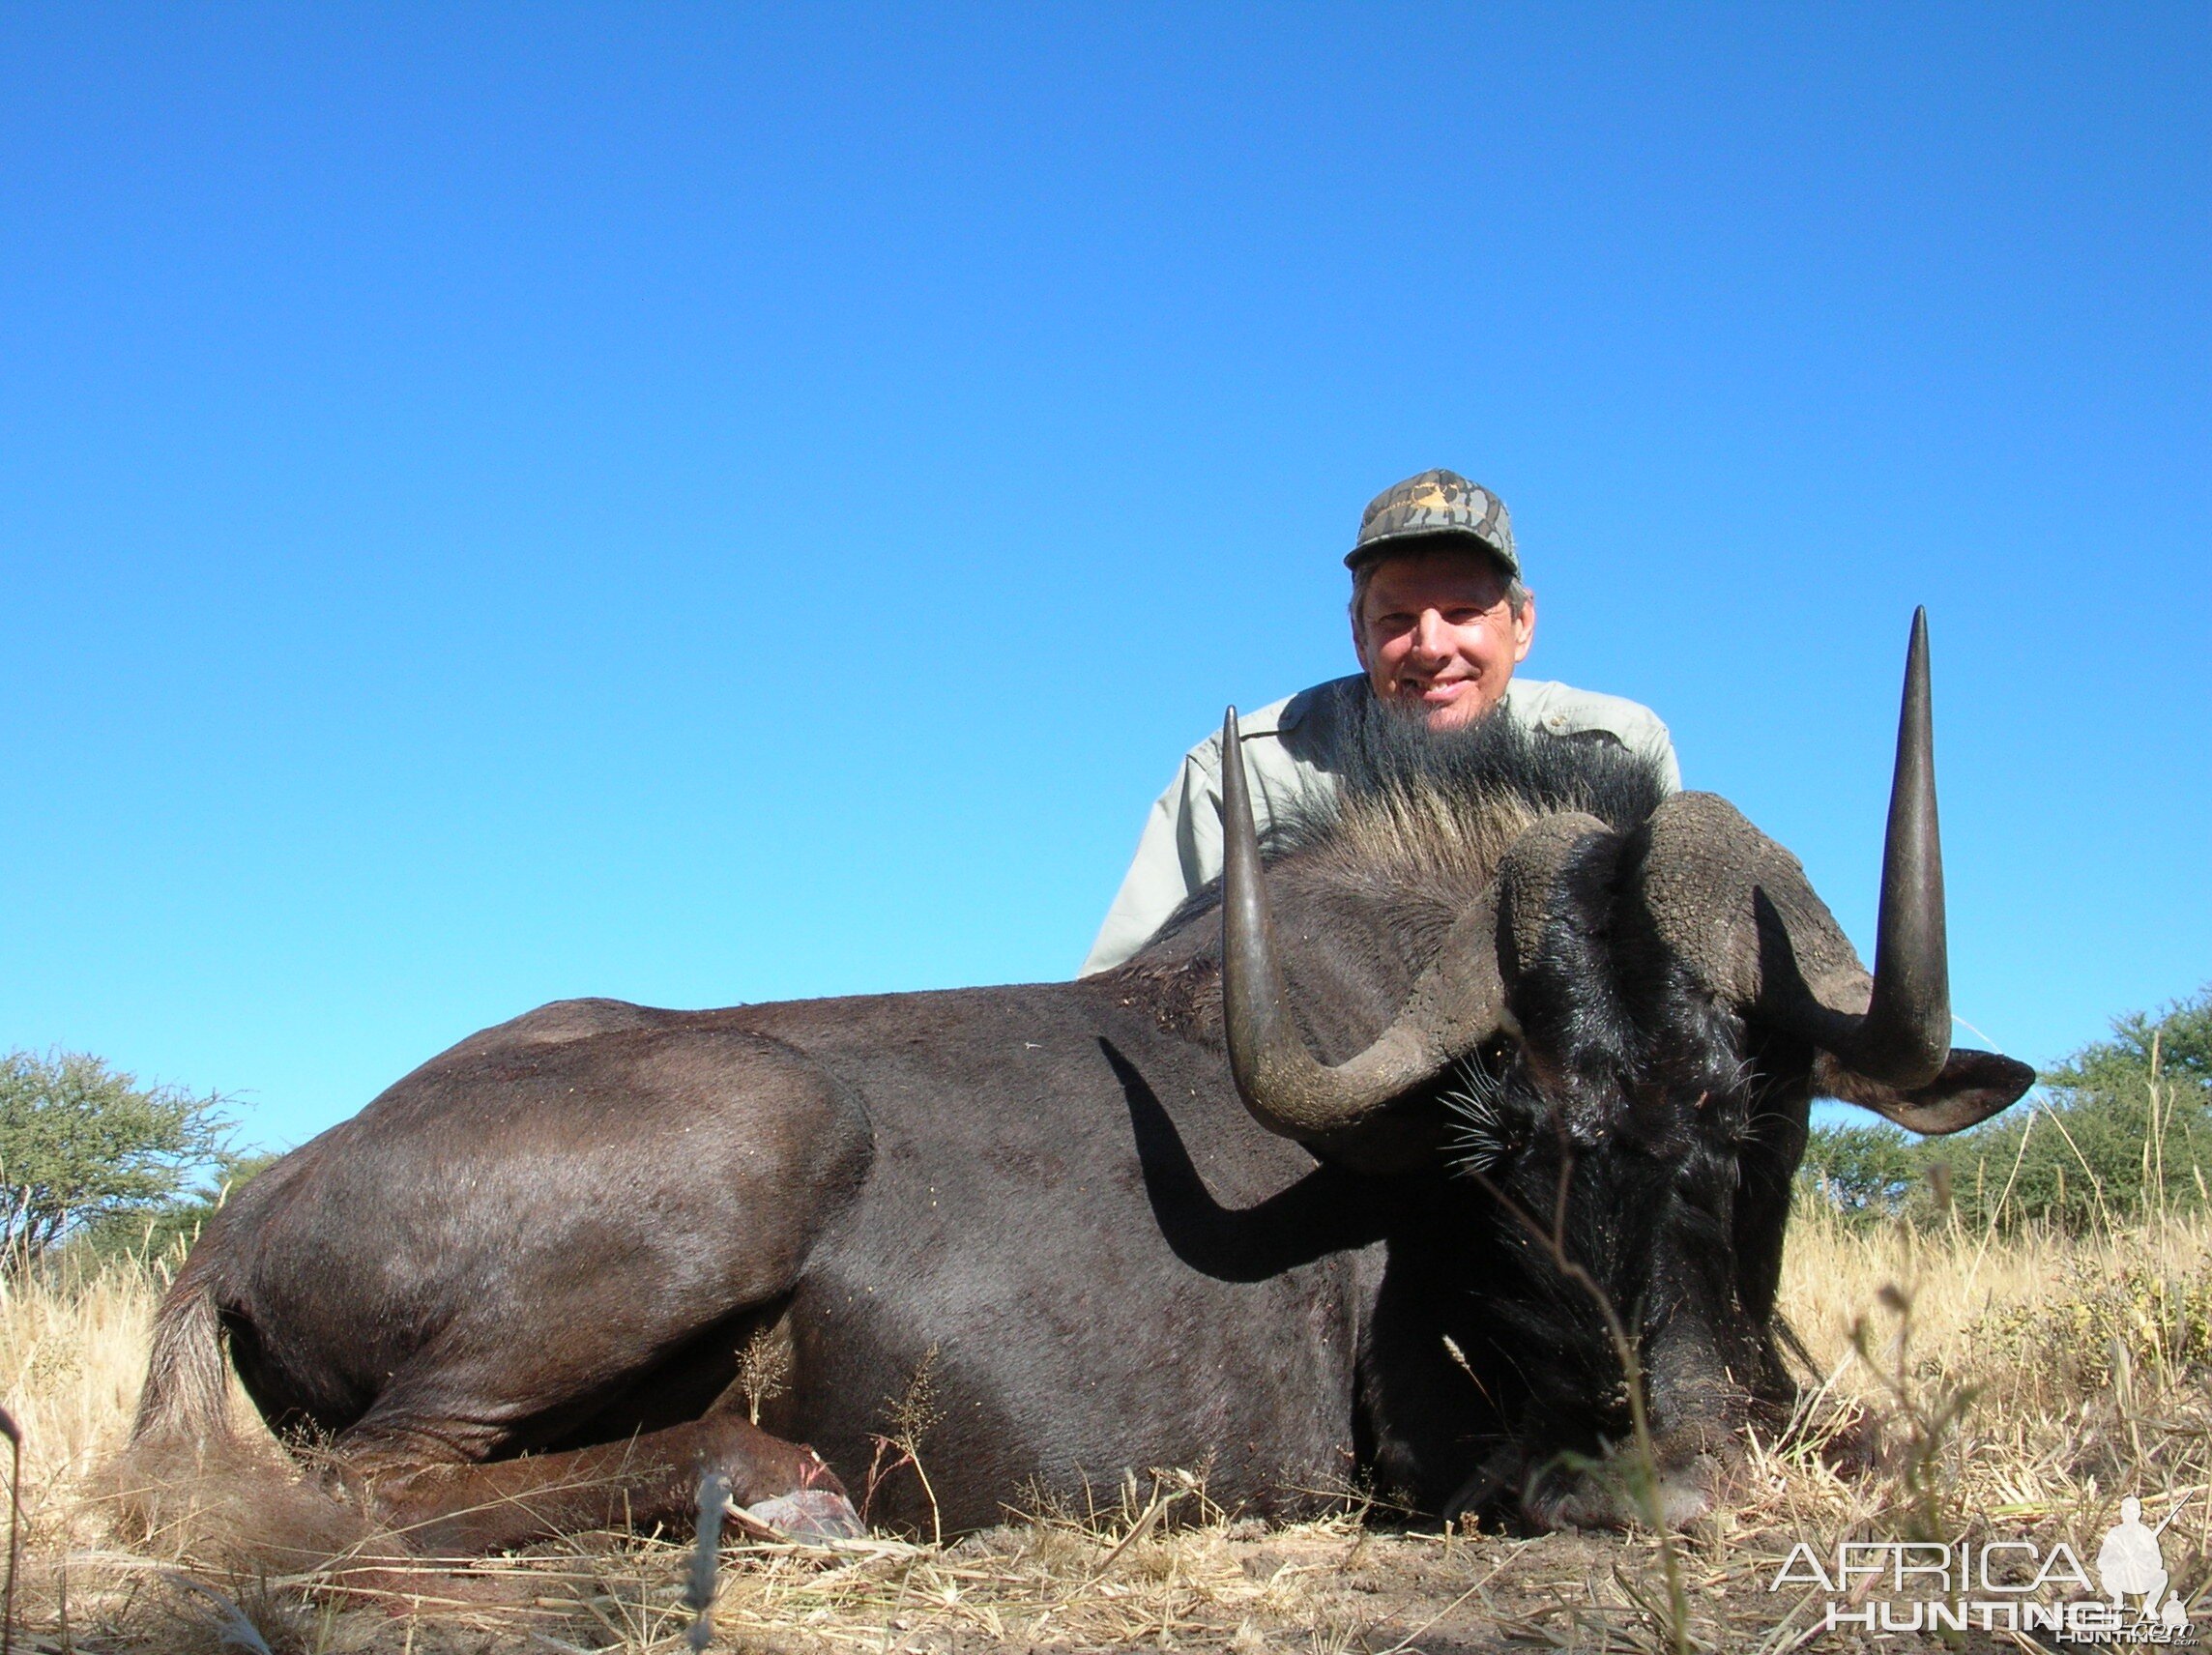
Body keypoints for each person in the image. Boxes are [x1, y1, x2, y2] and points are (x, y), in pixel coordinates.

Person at [1080, 469, 1680, 975]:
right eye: (1395, 617)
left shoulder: (1616, 749)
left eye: (1463, 611)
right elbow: (1123, 999)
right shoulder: (1240, 771)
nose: (1430, 645)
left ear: (1523, 624)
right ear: (1358, 637)